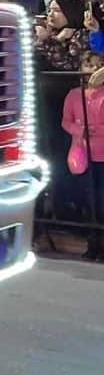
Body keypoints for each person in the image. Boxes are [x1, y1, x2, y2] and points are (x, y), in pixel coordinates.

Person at [61, 65, 104, 259]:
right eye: (88, 65)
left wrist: (95, 131)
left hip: (102, 153)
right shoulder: (73, 95)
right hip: (83, 154)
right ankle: (92, 244)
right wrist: (80, 131)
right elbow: (66, 121)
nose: (92, 69)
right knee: (88, 200)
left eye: (96, 65)